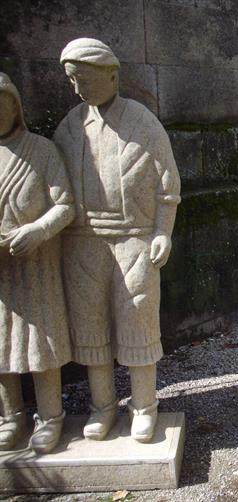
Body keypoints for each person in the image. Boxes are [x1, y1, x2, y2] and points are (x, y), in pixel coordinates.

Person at [53, 38, 181, 443]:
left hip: (133, 240)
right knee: (90, 326)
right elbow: (55, 188)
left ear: (112, 75)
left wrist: (163, 230)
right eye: (73, 80)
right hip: (83, 242)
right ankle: (103, 406)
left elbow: (167, 184)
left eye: (86, 78)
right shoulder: (71, 126)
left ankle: (144, 406)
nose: (79, 88)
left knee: (137, 319)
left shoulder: (143, 122)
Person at [0, 72, 75, 453]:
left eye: (3, 103)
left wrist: (38, 231)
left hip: (38, 264)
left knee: (41, 342)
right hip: (1, 271)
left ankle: (50, 416)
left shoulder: (42, 150)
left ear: (16, 106)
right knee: (1, 344)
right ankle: (10, 417)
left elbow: (65, 205)